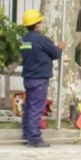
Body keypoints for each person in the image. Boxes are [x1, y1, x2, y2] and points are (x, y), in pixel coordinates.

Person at [20, 9, 65, 148]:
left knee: (29, 107)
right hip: (39, 78)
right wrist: (60, 47)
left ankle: (27, 133)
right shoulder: (40, 39)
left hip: (28, 77)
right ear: (37, 25)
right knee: (36, 108)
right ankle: (34, 138)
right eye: (40, 22)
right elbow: (55, 53)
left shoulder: (24, 40)